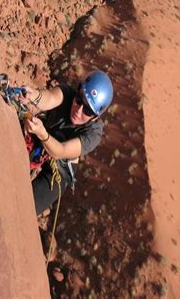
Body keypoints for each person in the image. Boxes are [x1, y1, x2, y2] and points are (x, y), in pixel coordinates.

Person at [20, 70, 113, 216]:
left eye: (88, 110)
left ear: (95, 117)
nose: (79, 109)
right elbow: (49, 98)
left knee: (26, 209)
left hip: (58, 169)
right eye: (79, 99)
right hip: (40, 138)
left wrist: (42, 133)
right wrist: (33, 96)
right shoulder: (67, 94)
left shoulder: (93, 134)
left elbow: (60, 151)